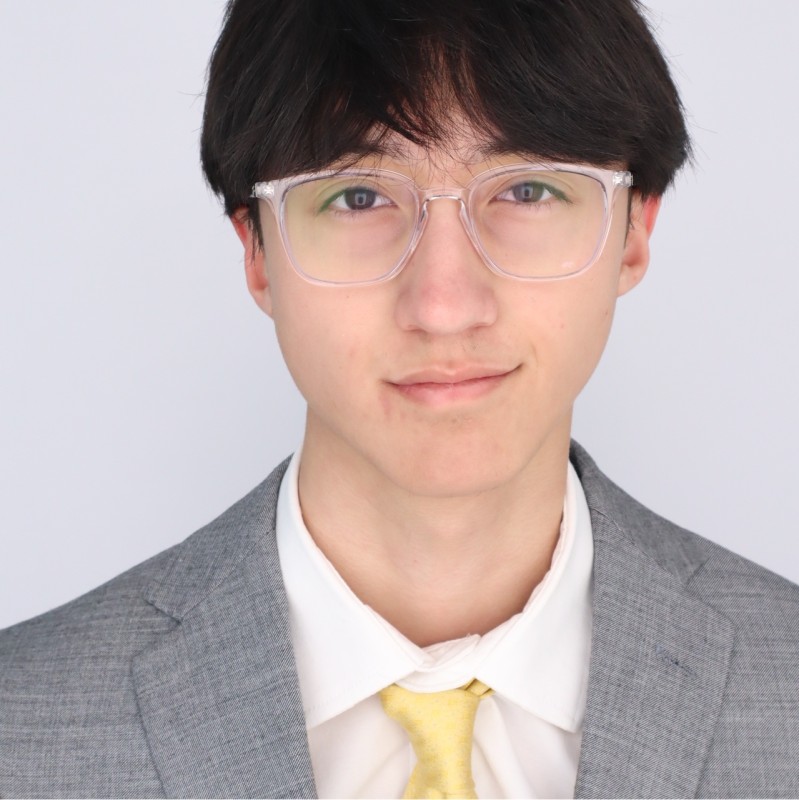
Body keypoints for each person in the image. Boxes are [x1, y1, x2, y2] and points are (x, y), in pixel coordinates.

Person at [2, 0, 798, 797]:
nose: (444, 305)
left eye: (525, 190)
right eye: (356, 197)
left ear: (631, 232)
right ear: (257, 252)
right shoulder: (23, 728)